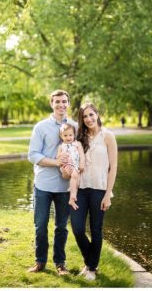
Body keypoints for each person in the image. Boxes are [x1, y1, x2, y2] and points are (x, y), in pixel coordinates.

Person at [27, 89, 76, 275]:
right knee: (40, 225)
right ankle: (40, 262)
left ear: (68, 104)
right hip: (43, 184)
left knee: (61, 227)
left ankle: (60, 264)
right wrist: (56, 162)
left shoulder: (75, 126)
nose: (61, 105)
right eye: (57, 102)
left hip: (65, 186)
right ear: (51, 104)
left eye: (64, 101)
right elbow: (32, 155)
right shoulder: (40, 127)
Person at [70, 101, 118, 283]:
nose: (89, 119)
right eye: (85, 116)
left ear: (97, 114)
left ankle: (91, 268)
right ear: (81, 119)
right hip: (80, 189)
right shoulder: (79, 138)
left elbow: (113, 168)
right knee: (77, 228)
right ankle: (91, 262)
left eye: (91, 114)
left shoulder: (108, 136)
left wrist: (108, 194)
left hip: (100, 189)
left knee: (96, 230)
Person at [56, 122, 85, 210]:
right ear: (61, 136)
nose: (68, 137)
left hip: (75, 165)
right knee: (74, 176)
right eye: (65, 135)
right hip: (66, 165)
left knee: (76, 178)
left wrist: (82, 164)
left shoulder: (77, 144)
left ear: (74, 135)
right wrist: (61, 154)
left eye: (70, 135)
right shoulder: (61, 146)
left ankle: (72, 197)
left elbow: (82, 155)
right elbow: (57, 157)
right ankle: (72, 196)